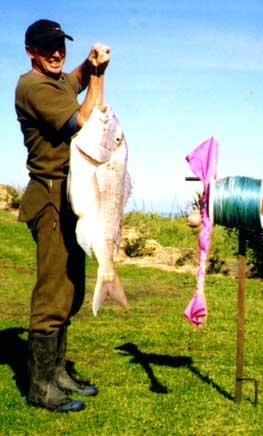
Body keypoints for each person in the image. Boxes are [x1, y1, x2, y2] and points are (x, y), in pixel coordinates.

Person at [15, 19, 110, 412]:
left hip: (71, 199)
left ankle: (58, 374)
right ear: (31, 52)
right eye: (47, 47)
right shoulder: (32, 87)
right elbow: (82, 123)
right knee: (52, 293)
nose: (56, 53)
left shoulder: (55, 82)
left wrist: (90, 65)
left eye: (60, 46)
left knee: (70, 290)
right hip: (50, 198)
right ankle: (41, 388)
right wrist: (100, 78)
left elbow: (74, 79)